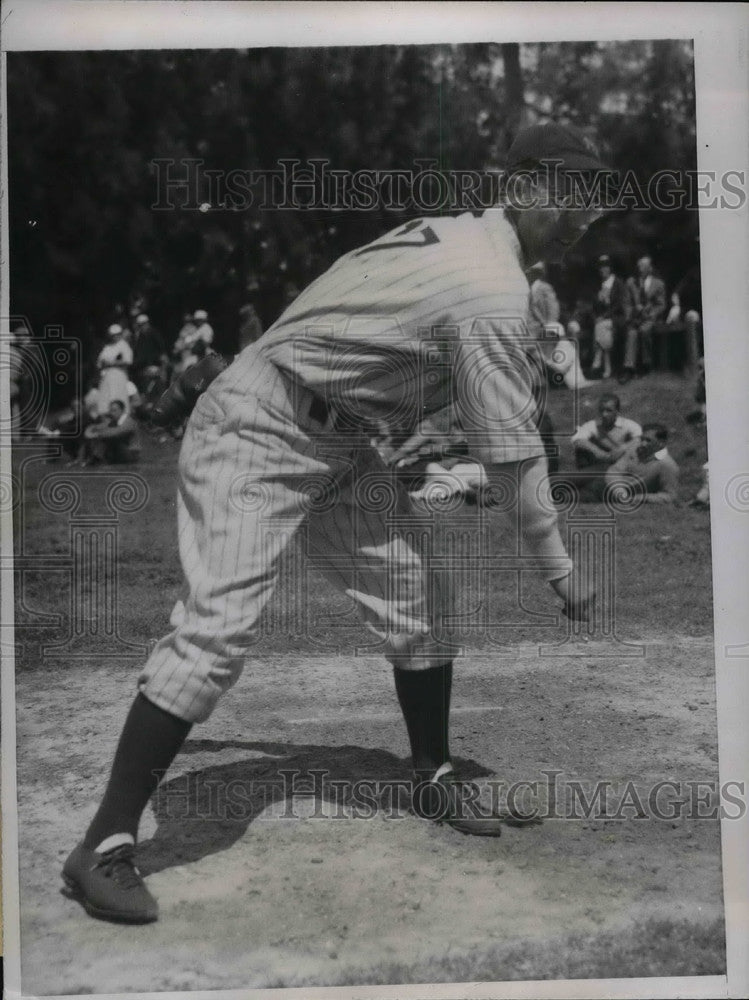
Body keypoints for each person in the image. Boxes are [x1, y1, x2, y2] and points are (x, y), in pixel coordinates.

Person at [62, 122, 607, 924]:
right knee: (216, 632)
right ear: (522, 185)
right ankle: (101, 847)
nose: (583, 212)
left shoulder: (468, 240)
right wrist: (558, 567)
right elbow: (509, 453)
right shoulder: (488, 283)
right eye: (571, 190)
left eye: (593, 199)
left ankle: (434, 772)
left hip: (338, 433)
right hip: (263, 424)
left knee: (417, 595)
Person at [605, 423, 680, 504]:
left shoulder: (667, 465)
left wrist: (639, 498)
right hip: (611, 485)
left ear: (661, 443)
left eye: (648, 440)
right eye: (642, 439)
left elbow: (669, 496)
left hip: (617, 494)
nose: (643, 444)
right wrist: (619, 491)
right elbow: (615, 470)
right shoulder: (636, 449)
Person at [620, 256, 667, 382]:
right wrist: (631, 313)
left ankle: (646, 364)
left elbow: (661, 305)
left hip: (650, 318)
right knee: (631, 333)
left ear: (649, 268)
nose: (639, 269)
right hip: (635, 318)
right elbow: (626, 303)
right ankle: (629, 368)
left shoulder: (658, 284)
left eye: (642, 266)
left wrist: (651, 313)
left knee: (644, 330)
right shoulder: (631, 282)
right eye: (638, 266)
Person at [591, 254, 627, 380]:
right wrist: (599, 301)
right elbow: (595, 307)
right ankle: (607, 368)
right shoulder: (599, 285)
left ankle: (597, 362)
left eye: (605, 267)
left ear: (610, 268)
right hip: (603, 322)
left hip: (618, 318)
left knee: (601, 326)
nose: (602, 270)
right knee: (601, 327)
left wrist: (604, 316)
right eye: (600, 267)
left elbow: (619, 305)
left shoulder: (618, 283)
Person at [82, 399, 141, 465]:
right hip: (121, 451)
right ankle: (94, 458)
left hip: (131, 453)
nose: (112, 413)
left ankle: (96, 459)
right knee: (104, 437)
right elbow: (97, 426)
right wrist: (90, 430)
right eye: (111, 410)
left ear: (122, 410)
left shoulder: (129, 422)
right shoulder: (114, 421)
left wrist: (95, 434)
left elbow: (115, 432)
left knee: (110, 438)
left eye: (114, 410)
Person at [96, 324, 133, 414]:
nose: (115, 337)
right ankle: (109, 417)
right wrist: (104, 364)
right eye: (113, 335)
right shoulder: (107, 347)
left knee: (119, 396)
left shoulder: (123, 345)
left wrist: (112, 363)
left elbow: (128, 361)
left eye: (117, 334)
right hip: (106, 376)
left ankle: (123, 415)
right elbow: (99, 363)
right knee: (107, 398)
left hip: (118, 374)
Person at [131, 314, 168, 392]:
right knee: (148, 391)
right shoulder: (139, 337)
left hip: (156, 367)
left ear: (147, 323)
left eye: (143, 324)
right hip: (145, 369)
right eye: (140, 325)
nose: (142, 327)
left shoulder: (154, 333)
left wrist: (163, 369)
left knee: (160, 389)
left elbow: (162, 351)